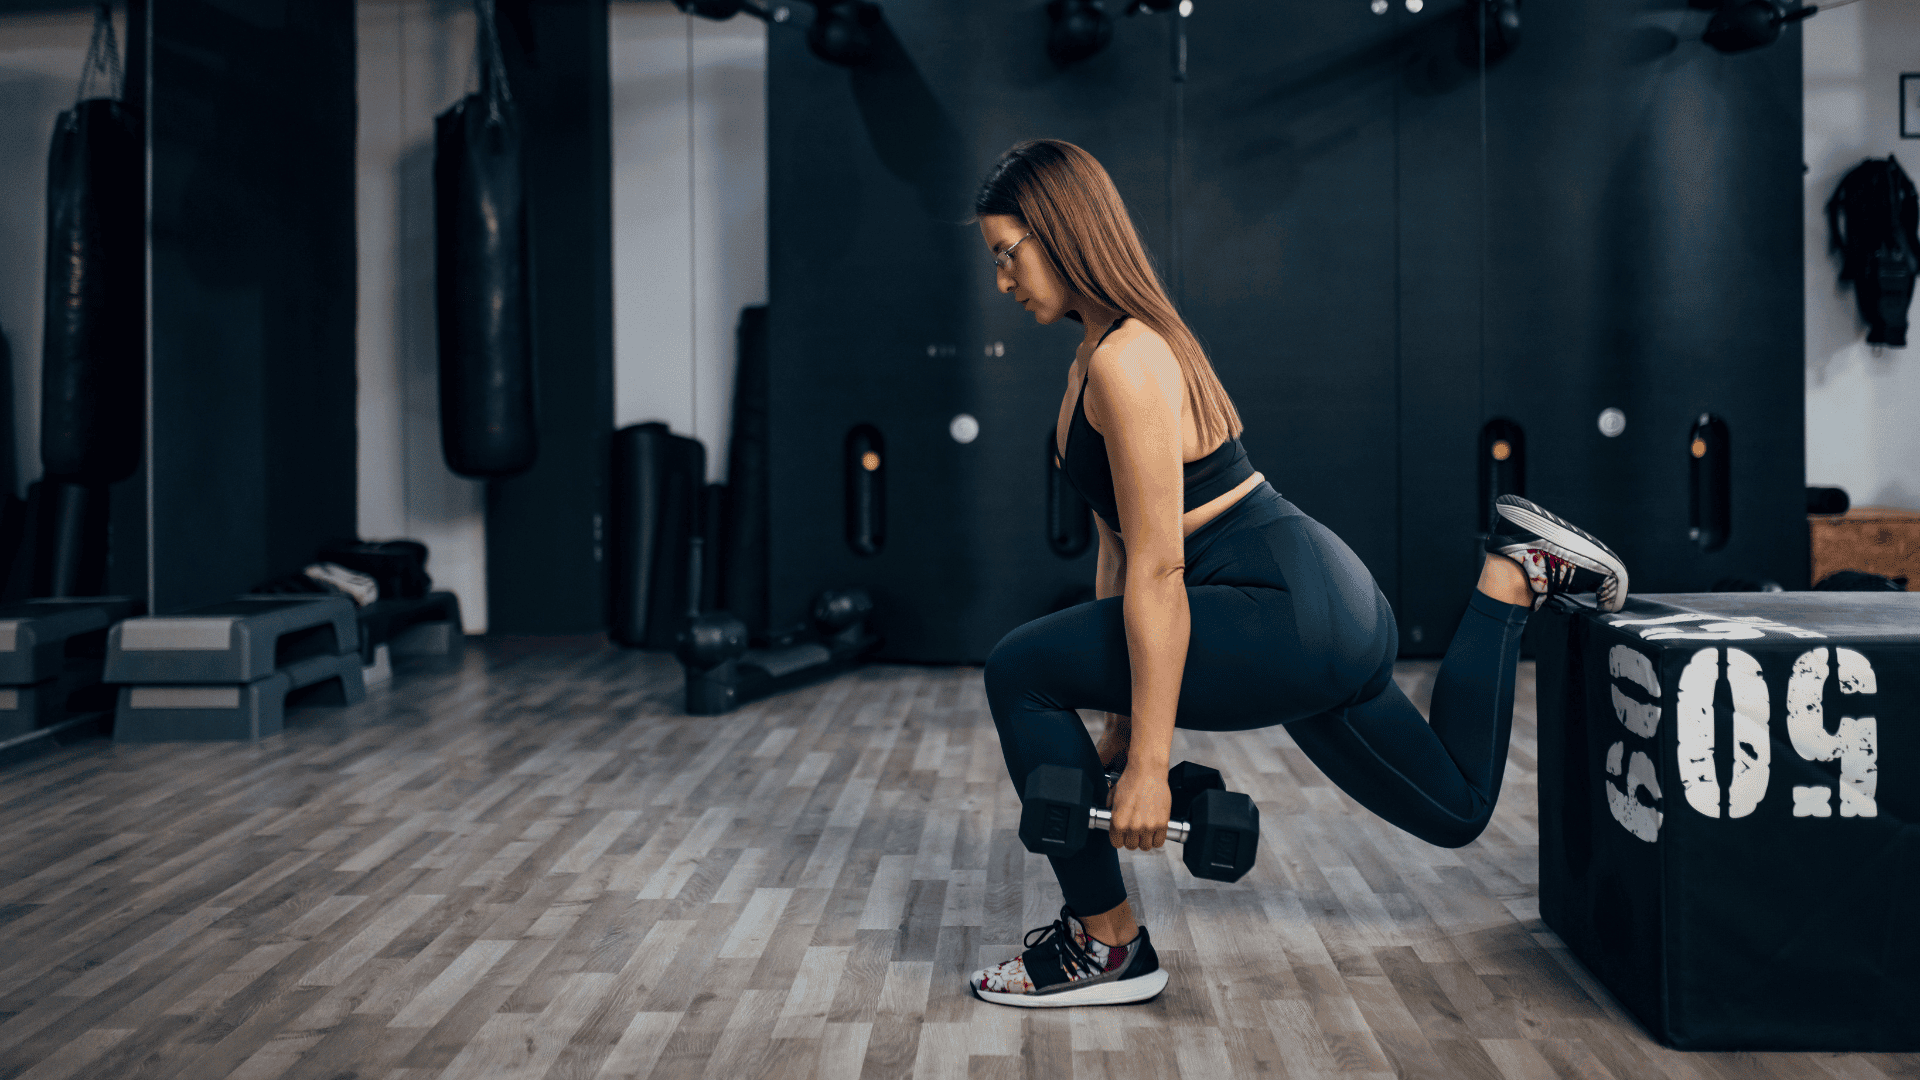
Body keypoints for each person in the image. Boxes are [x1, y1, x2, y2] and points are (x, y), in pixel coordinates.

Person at [967, 139, 1629, 1008]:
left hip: (1278, 608)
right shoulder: (1101, 355)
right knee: (1457, 807)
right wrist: (1124, 729)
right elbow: (1119, 552)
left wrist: (1153, 766)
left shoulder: (1128, 362)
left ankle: (1106, 945)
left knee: (1018, 669)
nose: (1004, 279)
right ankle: (1510, 579)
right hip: (1322, 600)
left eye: (1009, 253)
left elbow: (1161, 570)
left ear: (1061, 233)